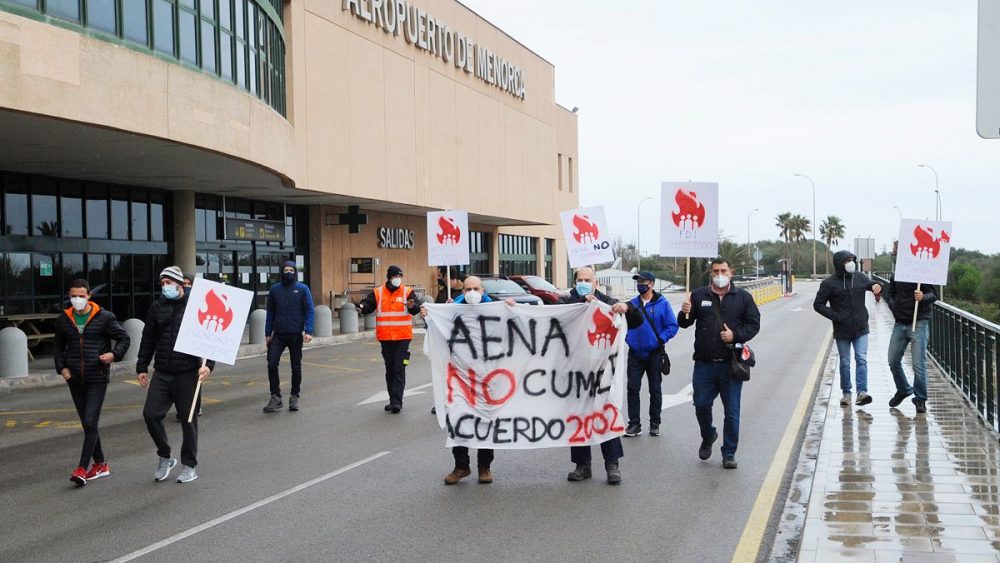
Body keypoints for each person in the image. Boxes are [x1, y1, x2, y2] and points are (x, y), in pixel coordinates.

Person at [421, 275, 515, 485]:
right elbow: (437, 333)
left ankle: (484, 467)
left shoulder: (496, 310)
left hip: (488, 379)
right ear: (463, 292)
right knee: (457, 419)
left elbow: (515, 329)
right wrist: (430, 316)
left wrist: (511, 309)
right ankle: (461, 466)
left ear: (483, 291)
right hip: (460, 379)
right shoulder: (453, 311)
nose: (472, 292)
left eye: (476, 288)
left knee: (485, 421)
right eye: (468, 289)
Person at [556, 266, 639, 485]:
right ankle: (582, 465)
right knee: (579, 417)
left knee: (606, 414)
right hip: (576, 371)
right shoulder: (565, 303)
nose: (583, 282)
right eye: (579, 279)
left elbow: (637, 320)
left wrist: (627, 307)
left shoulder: (607, 303)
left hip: (603, 373)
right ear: (575, 282)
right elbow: (546, 318)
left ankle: (612, 465)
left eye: (587, 279)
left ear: (596, 283)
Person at [678, 257, 760, 469]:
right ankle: (708, 434)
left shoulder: (742, 297)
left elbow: (754, 325)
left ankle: (729, 452)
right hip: (704, 363)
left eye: (723, 270)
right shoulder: (698, 295)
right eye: (716, 271)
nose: (720, 275)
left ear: (731, 272)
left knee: (732, 411)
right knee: (701, 404)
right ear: (710, 274)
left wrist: (736, 336)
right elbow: (685, 323)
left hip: (730, 364)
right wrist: (684, 310)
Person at [137, 266, 214, 484]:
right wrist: (142, 367)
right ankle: (165, 456)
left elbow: (211, 337)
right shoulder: (157, 307)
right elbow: (148, 338)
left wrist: (209, 366)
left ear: (180, 284)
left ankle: (189, 465)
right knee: (151, 414)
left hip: (187, 372)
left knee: (188, 420)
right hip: (162, 371)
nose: (165, 287)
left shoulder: (196, 305)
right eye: (162, 284)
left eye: (168, 283)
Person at [54, 279, 130, 486]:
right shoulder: (64, 319)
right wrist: (63, 368)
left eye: (81, 295)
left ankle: (81, 468)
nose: (77, 299)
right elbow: (58, 346)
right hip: (75, 379)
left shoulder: (104, 317)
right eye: (73, 296)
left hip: (97, 376)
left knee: (89, 422)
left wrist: (113, 355)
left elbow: (124, 338)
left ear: (89, 296)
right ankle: (101, 464)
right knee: (88, 425)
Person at [813, 250, 882, 407]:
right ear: (839, 263)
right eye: (847, 260)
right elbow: (818, 305)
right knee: (844, 362)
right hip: (842, 330)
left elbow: (872, 285)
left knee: (861, 358)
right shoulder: (829, 284)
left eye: (852, 259)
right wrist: (836, 316)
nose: (851, 263)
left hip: (861, 327)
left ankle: (862, 392)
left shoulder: (859, 277)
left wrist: (877, 286)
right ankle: (846, 393)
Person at [356, 265, 422, 413]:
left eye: (400, 276)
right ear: (389, 278)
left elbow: (416, 307)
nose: (398, 279)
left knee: (399, 368)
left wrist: (412, 306)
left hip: (403, 337)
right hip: (385, 337)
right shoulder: (378, 292)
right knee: (390, 369)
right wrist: (361, 306)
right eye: (395, 276)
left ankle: (397, 402)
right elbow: (368, 304)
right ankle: (393, 400)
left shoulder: (407, 292)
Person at [623, 271, 679, 439]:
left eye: (643, 281)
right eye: (638, 281)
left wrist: (660, 340)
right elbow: (621, 324)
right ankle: (634, 424)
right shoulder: (632, 304)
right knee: (632, 388)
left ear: (652, 284)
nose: (640, 283)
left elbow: (672, 326)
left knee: (655, 389)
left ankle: (655, 424)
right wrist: (628, 339)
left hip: (654, 354)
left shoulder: (662, 304)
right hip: (635, 354)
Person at [262, 261, 315, 413]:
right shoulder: (275, 290)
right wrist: (267, 333)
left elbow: (309, 311)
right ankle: (275, 397)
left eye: (291, 270)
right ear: (281, 271)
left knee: (296, 366)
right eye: (286, 270)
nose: (289, 272)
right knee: (272, 363)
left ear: (295, 272)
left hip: (295, 334)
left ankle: (294, 396)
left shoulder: (302, 289)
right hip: (278, 335)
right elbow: (270, 312)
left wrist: (308, 331)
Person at [885, 274, 937, 414]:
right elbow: (890, 294)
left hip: (919, 322)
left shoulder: (921, 274)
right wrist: (893, 307)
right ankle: (903, 389)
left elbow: (933, 294)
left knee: (918, 364)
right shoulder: (895, 275)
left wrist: (923, 297)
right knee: (892, 360)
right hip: (900, 323)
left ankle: (920, 399)